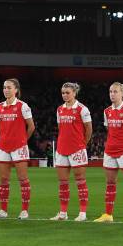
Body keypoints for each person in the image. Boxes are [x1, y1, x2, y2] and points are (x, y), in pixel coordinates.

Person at [94, 82, 123, 224]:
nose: (112, 94)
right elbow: (109, 130)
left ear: (122, 94)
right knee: (110, 183)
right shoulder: (107, 111)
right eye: (110, 91)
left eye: (115, 92)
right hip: (110, 151)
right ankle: (108, 214)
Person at [0, 79, 35, 220]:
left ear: (16, 90)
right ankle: (3, 211)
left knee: (23, 179)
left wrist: (22, 140)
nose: (6, 90)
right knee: (4, 180)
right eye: (4, 87)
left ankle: (24, 211)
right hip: (3, 147)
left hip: (19, 147)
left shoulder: (23, 106)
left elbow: (31, 126)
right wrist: (5, 137)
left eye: (9, 87)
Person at [50, 82, 92, 222]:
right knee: (63, 183)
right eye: (63, 93)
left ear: (74, 93)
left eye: (68, 92)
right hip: (62, 149)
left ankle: (82, 213)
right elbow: (61, 128)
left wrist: (82, 144)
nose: (65, 95)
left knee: (80, 181)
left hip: (77, 150)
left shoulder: (82, 109)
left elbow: (89, 130)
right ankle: (63, 213)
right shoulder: (59, 109)